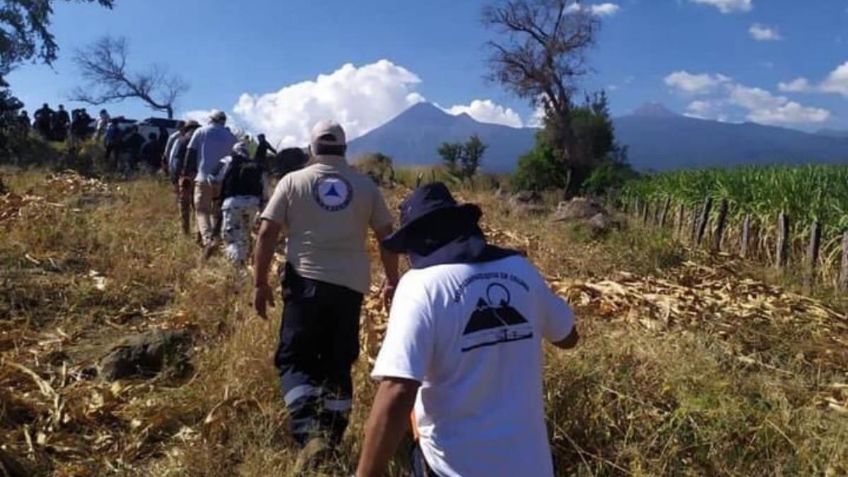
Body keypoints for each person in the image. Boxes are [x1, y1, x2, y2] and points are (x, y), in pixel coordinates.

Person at [355, 183, 580, 477]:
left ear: (417, 243)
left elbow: (398, 389)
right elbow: (568, 337)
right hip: (530, 466)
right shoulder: (521, 270)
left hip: (454, 467)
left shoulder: (420, 286)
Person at [252, 120, 399, 472]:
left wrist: (259, 283)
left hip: (305, 284)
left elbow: (267, 232)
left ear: (311, 149)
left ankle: (309, 433)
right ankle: (330, 438)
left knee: (295, 359)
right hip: (350, 288)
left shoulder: (293, 181)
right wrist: (393, 280)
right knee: (337, 362)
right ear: (344, 149)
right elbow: (386, 233)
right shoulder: (365, 186)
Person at [183, 110, 237, 254]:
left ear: (210, 119)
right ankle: (215, 238)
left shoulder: (201, 131)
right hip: (223, 180)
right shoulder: (231, 136)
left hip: (203, 178)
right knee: (216, 212)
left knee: (201, 211)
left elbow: (191, 153)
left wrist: (186, 174)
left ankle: (208, 240)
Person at [211, 142, 269, 265]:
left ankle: (237, 268)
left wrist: (218, 194)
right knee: (244, 235)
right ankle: (245, 262)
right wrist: (263, 207)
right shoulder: (257, 165)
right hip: (253, 204)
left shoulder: (228, 160)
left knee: (231, 237)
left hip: (232, 203)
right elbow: (265, 188)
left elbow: (212, 177)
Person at [172, 121, 201, 237]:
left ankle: (185, 231)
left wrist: (176, 176)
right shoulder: (202, 140)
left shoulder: (183, 140)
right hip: (200, 176)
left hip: (186, 176)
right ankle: (199, 232)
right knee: (198, 205)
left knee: (184, 204)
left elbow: (177, 160)